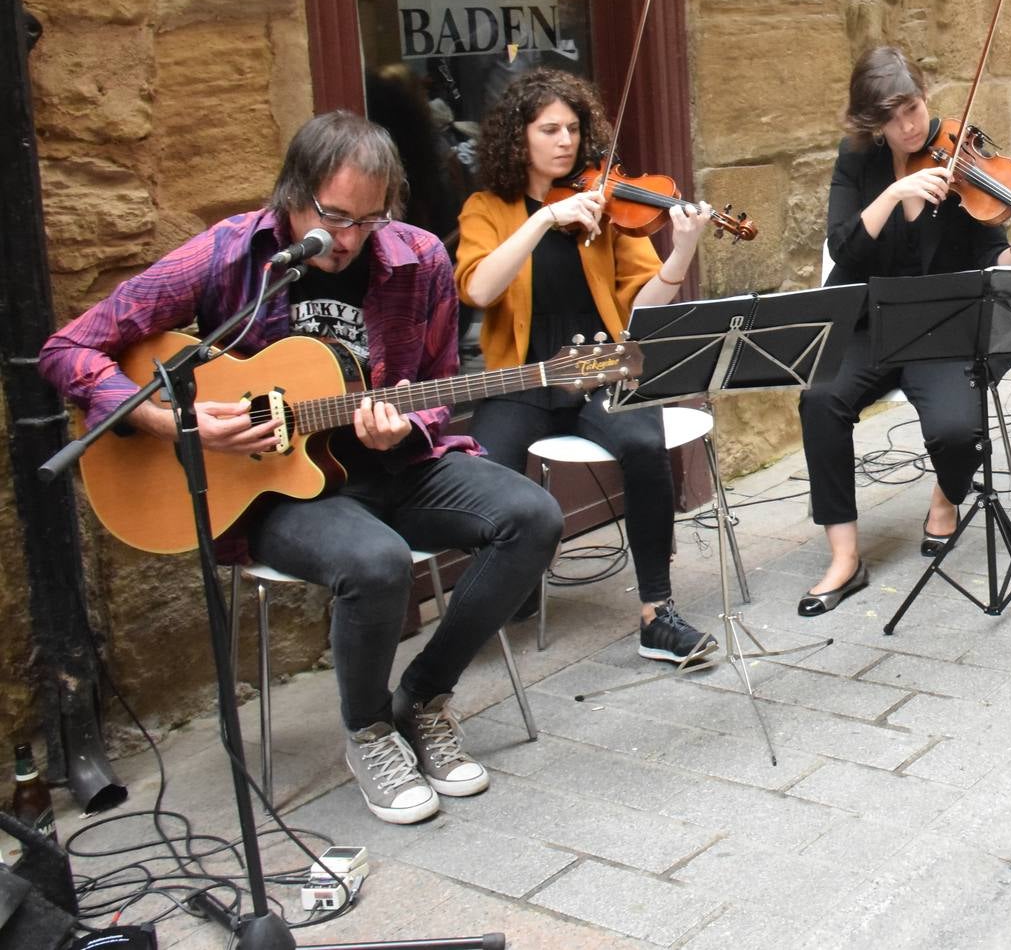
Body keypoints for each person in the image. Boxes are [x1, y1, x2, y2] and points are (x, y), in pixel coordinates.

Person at [40, 113, 563, 825]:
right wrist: (172, 423)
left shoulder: (417, 259)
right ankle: (370, 730)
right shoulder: (227, 255)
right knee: (375, 562)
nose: (347, 240)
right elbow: (69, 350)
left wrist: (408, 421)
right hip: (273, 488)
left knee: (532, 517)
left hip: (393, 467)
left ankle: (425, 696)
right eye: (333, 217)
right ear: (291, 194)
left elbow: (438, 382)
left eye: (368, 221)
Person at [453, 69, 715, 668]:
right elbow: (480, 290)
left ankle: (657, 612)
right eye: (549, 129)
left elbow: (643, 305)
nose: (565, 141)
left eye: (573, 128)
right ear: (518, 138)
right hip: (523, 375)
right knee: (483, 470)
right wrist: (544, 219)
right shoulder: (486, 208)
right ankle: (507, 588)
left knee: (644, 442)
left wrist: (682, 251)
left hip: (599, 364)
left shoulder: (609, 204)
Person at [798, 48, 1011, 616]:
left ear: (925, 99)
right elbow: (843, 246)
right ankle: (844, 556)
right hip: (869, 321)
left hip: (942, 326)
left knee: (958, 430)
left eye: (913, 109)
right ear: (872, 123)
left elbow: (993, 258)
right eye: (892, 118)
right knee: (820, 401)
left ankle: (946, 495)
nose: (908, 127)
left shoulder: (962, 155)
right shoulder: (857, 160)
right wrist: (892, 196)